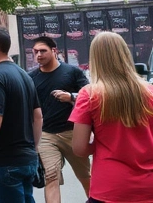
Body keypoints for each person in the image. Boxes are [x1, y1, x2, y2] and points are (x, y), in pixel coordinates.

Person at [70, 32, 153, 203]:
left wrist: (103, 146)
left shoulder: (89, 95)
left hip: (110, 190)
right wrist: (142, 147)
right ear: (125, 55)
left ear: (95, 58)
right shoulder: (152, 92)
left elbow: (79, 148)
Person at [0, 27, 42, 203]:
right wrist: (33, 148)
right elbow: (38, 116)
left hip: (5, 160)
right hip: (27, 158)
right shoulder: (24, 75)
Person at [27, 36, 90, 203]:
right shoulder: (31, 77)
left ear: (54, 51)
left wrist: (70, 96)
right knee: (51, 177)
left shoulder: (72, 72)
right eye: (35, 52)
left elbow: (89, 96)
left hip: (73, 133)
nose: (39, 55)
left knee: (85, 176)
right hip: (46, 135)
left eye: (43, 51)